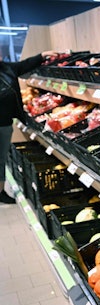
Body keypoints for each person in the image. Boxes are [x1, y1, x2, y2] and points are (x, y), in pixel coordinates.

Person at [0, 50, 58, 204]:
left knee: (1, 159)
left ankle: (0, 192)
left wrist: (41, 56)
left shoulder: (7, 68)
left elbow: (24, 65)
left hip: (5, 124)